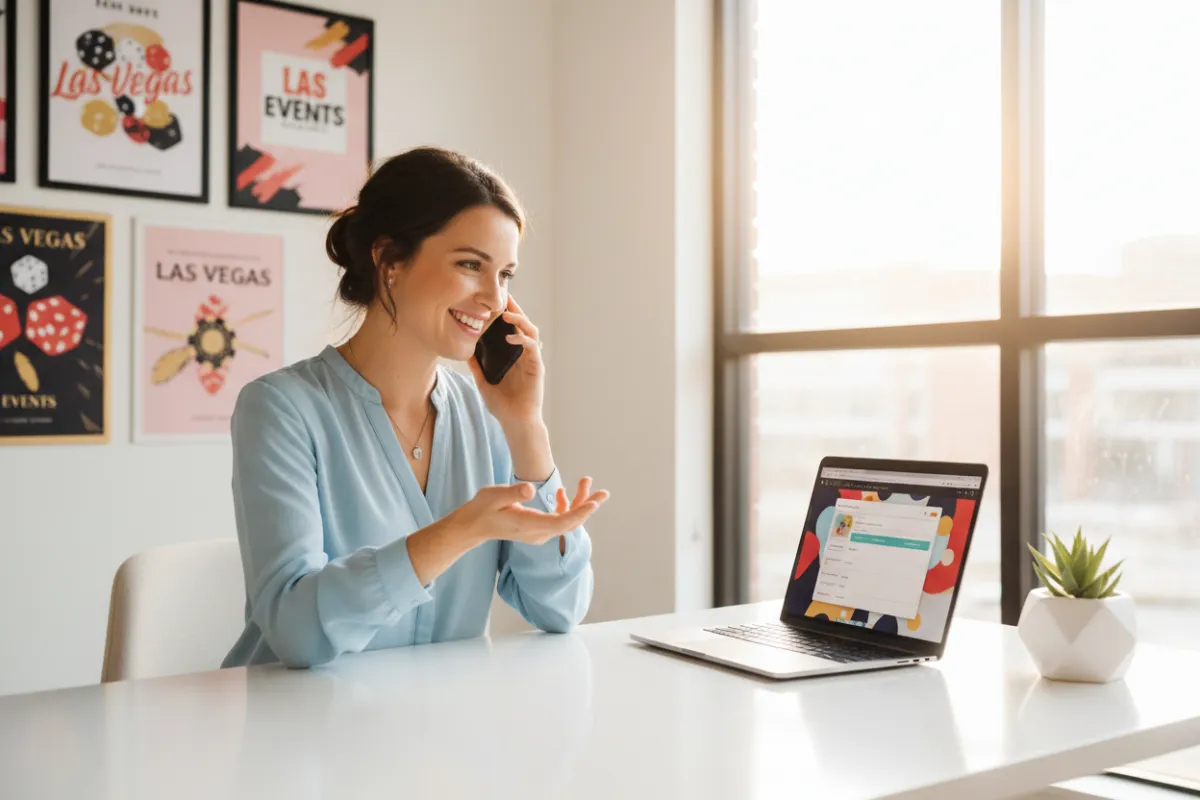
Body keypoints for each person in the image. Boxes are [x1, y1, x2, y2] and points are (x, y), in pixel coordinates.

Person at [222, 146, 609, 669]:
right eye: (471, 265)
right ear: (390, 260)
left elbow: (561, 610)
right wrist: (461, 530)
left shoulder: (485, 414)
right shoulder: (281, 409)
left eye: (506, 275)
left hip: (436, 736)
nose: (495, 299)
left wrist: (525, 426)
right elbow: (298, 634)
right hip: (297, 733)